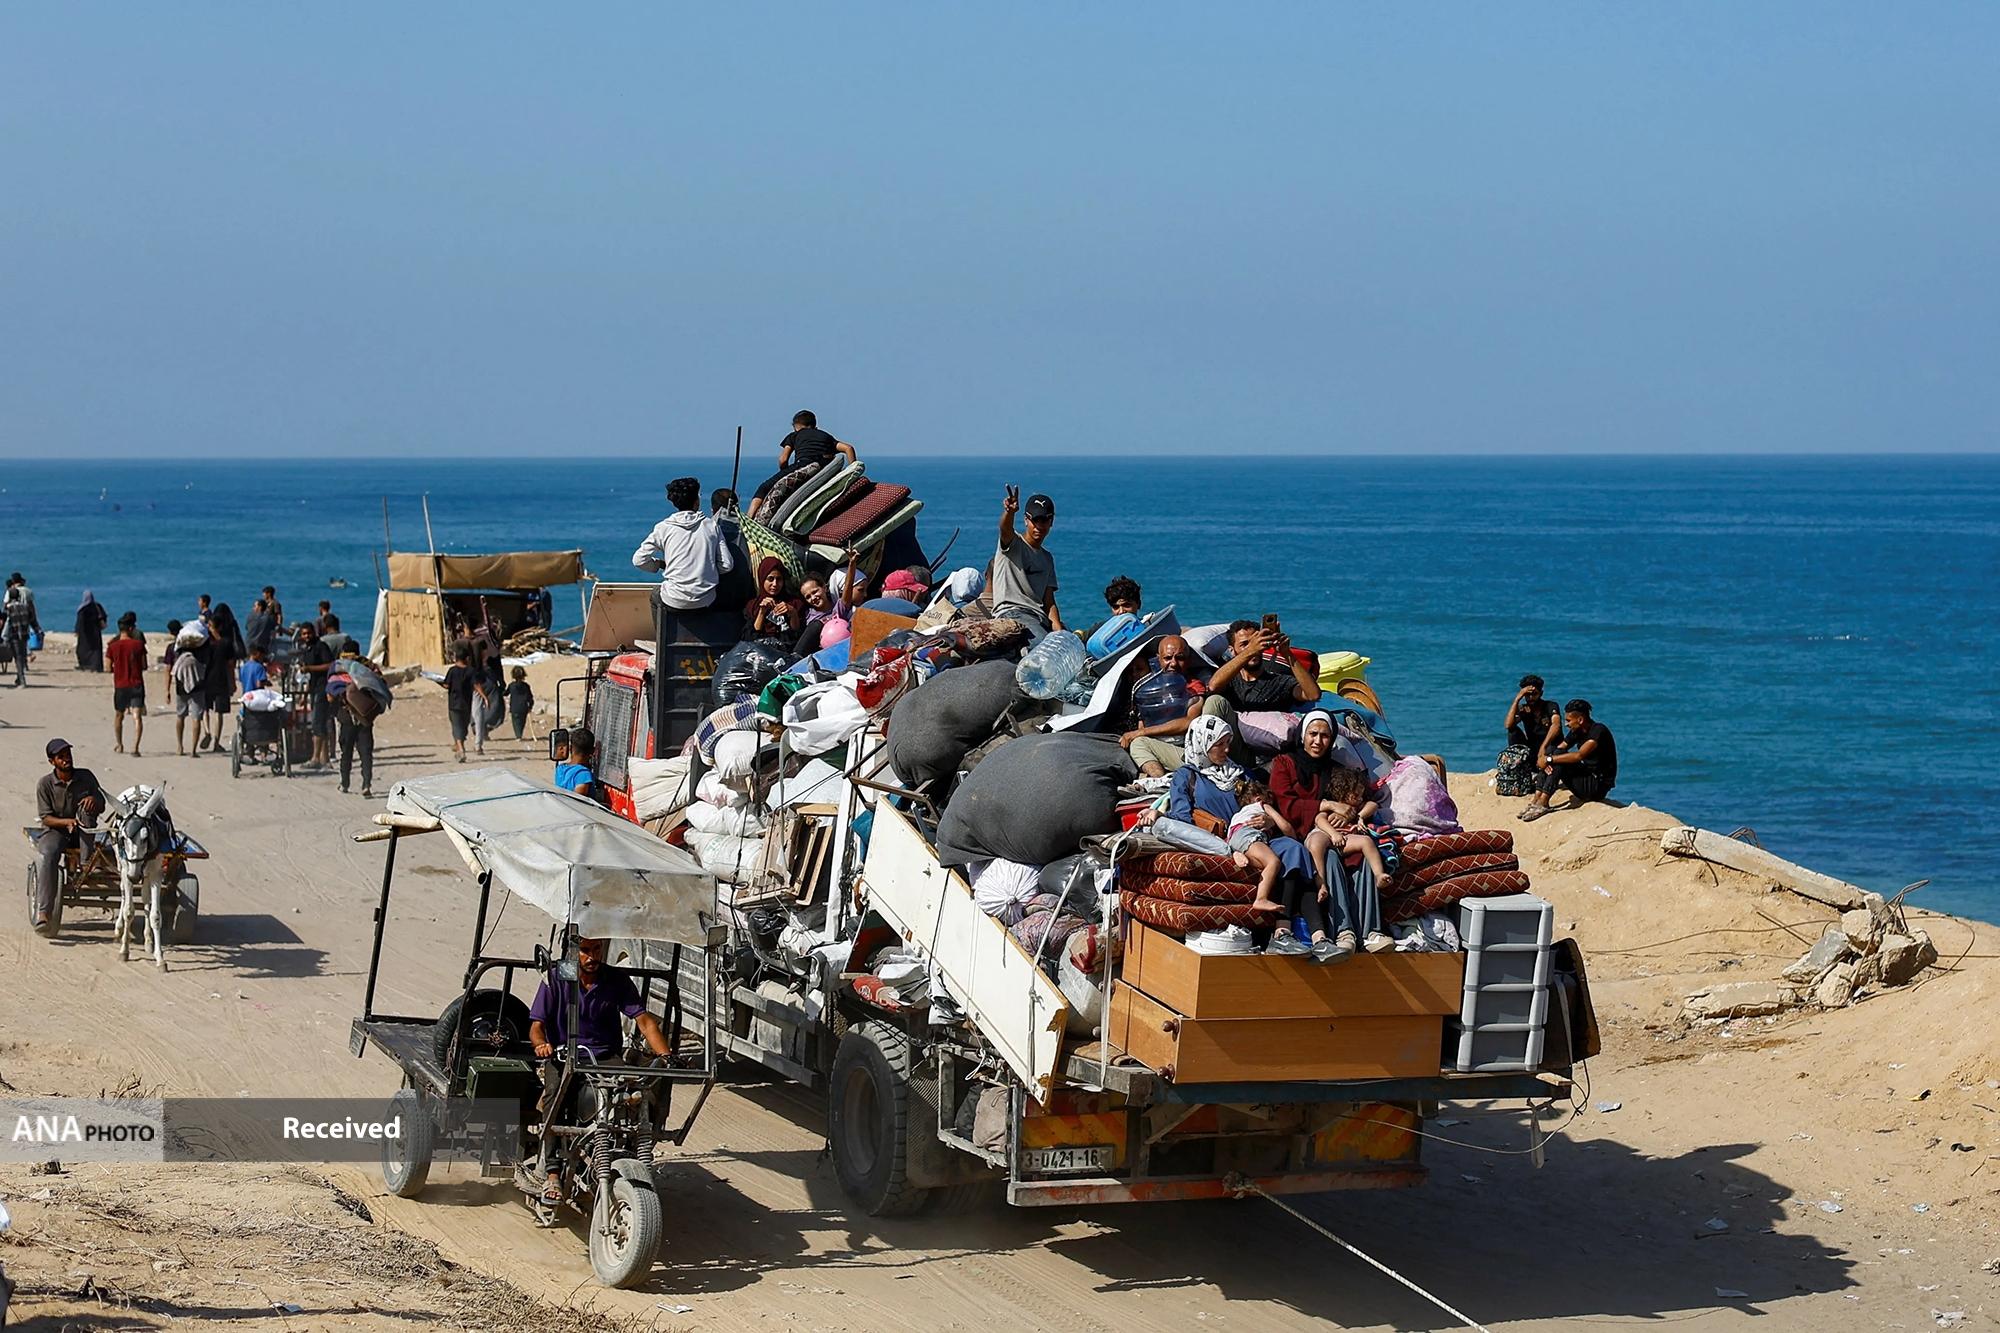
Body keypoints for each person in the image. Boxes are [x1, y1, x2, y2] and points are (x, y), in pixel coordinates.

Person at [1139, 715, 1327, 959]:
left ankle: (1300, 935)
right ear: (1203, 744)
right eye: (1219, 744)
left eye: (1228, 743)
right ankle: (1284, 933)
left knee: (1294, 849)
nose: (1226, 749)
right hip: (1221, 840)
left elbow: (1261, 801)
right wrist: (1158, 814)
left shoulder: (1240, 774)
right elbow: (1182, 818)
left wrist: (1269, 821)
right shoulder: (1188, 775)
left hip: (1255, 836)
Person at [526, 936, 672, 1201]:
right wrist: (542, 1045)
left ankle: (631, 1148)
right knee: (555, 1097)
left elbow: (644, 1021)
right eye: (585, 950)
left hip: (605, 1056)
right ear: (574, 950)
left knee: (636, 1089)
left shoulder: (615, 979)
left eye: (596, 949)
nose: (592, 957)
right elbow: (537, 1026)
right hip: (564, 1055)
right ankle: (552, 1172)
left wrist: (666, 1056)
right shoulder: (557, 977)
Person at [1268, 710, 1388, 960]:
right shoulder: (1284, 764)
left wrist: (1348, 814)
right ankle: (1343, 932)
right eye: (1313, 734)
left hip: (1337, 833)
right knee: (1330, 857)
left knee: (1364, 858)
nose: (1318, 741)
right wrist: (1328, 806)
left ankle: (1370, 932)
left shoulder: (1336, 770)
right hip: (1300, 836)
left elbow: (1359, 799)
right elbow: (1286, 805)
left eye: (1324, 736)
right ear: (1303, 736)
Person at [1200, 618, 1321, 760]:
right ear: (1232, 650)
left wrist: (1287, 653)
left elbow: (1313, 695)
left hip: (1267, 757)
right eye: (1244, 644)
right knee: (1214, 701)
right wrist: (1251, 650)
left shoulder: (1277, 681)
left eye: (1256, 642)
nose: (1253, 648)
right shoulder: (1229, 678)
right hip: (1231, 749)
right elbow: (1213, 686)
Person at [632, 477, 737, 610]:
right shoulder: (711, 526)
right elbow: (727, 565)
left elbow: (639, 560)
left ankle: (663, 624)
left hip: (674, 599)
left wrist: (659, 564)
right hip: (706, 599)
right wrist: (706, 568)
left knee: (655, 596)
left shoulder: (663, 528)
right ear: (696, 501)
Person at [32, 739, 103, 933]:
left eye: (68, 755)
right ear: (52, 761)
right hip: (56, 830)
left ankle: (87, 864)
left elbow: (102, 802)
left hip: (84, 831)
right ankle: (43, 912)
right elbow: (45, 818)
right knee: (48, 856)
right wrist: (66, 822)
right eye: (61, 757)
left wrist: (94, 800)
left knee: (87, 809)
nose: (66, 759)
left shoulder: (86, 777)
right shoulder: (45, 784)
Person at [1119, 635, 1211, 776]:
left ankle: (1159, 779)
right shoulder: (1149, 688)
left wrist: (1140, 733)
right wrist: (1138, 733)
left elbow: (1188, 722)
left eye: (1180, 658)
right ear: (1158, 659)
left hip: (1184, 749)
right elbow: (1143, 721)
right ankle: (1158, 778)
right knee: (1137, 743)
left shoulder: (1193, 687)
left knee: (1139, 743)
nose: (1173, 663)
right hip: (1157, 744)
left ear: (1188, 660)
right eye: (1168, 658)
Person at [1520, 699, 1617, 822]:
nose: (1566, 724)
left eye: (1569, 720)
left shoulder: (1598, 731)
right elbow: (1560, 748)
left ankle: (1543, 802)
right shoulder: (1577, 731)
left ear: (1580, 720)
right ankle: (1537, 798)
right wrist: (1545, 757)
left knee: (1556, 759)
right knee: (1552, 751)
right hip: (1586, 776)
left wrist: (1548, 759)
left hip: (1597, 786)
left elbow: (1579, 756)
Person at [991, 487, 1061, 638]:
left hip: (1039, 618)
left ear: (1051, 522)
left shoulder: (1047, 558)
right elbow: (1005, 529)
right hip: (1013, 613)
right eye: (1035, 520)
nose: (1039, 526)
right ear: (1026, 520)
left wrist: (1059, 630)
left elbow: (1049, 601)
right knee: (1042, 645)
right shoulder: (1014, 544)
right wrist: (1009, 512)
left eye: (1044, 520)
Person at [332, 651, 379, 796]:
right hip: (365, 719)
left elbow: (330, 697)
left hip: (347, 719)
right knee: (366, 753)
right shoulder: (369, 673)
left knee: (346, 753)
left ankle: (344, 784)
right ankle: (366, 785)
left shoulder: (339, 675)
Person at [201, 603, 245, 750]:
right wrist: (232, 683)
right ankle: (216, 742)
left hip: (206, 678)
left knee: (205, 708)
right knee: (219, 712)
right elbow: (230, 665)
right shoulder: (226, 644)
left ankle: (207, 731)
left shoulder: (205, 643)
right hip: (221, 679)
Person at [293, 623, 336, 768]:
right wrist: (304, 695)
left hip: (322, 688)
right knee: (319, 723)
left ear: (314, 633)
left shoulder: (321, 646)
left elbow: (330, 665)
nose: (306, 636)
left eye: (308, 633)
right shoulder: (307, 649)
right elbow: (308, 677)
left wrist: (310, 668)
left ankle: (316, 758)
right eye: (304, 634)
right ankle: (325, 760)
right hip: (313, 688)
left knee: (318, 723)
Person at [107, 614, 147, 757]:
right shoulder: (139, 645)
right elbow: (144, 665)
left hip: (120, 684)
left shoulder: (113, 646)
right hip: (136, 684)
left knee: (119, 715)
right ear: (130, 628)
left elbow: (107, 667)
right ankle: (135, 747)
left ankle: (119, 744)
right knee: (137, 716)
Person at [166, 620, 207, 755]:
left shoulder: (172, 648)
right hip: (198, 685)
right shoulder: (200, 648)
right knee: (196, 718)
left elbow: (168, 669)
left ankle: (180, 746)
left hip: (180, 684)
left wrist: (167, 689)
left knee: (180, 716)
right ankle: (193, 750)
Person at [744, 557, 807, 642]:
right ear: (762, 579)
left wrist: (793, 613)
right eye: (770, 579)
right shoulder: (752, 606)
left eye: (779, 579)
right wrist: (762, 612)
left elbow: (798, 638)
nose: (775, 584)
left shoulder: (795, 604)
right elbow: (750, 638)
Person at [1505, 675, 1562, 764]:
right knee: (1512, 730)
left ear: (1541, 693)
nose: (1531, 698)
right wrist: (1517, 699)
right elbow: (1508, 725)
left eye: (1534, 694)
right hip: (1533, 747)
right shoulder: (1523, 709)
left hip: (1550, 745)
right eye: (1527, 695)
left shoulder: (1550, 706)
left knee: (1551, 749)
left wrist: (1543, 746)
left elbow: (1556, 725)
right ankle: (1517, 759)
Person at [4, 575, 39, 688]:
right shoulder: (25, 607)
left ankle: (22, 680)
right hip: (24, 634)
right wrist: (37, 630)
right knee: (21, 656)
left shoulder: (9, 609)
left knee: (18, 657)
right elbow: (32, 620)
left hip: (14, 635)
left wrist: (4, 637)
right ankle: (19, 678)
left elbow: (7, 623)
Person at [554, 728, 606, 803]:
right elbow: (578, 803)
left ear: (570, 748)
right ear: (593, 751)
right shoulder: (583, 775)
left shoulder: (560, 769)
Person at [443, 646, 475, 762]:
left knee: (456, 725)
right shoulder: (471, 671)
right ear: (467, 658)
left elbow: (446, 685)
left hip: (454, 703)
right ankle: (460, 746)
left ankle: (460, 748)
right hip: (466, 703)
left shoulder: (452, 671)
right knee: (463, 726)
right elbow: (475, 685)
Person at [73, 591, 108, 671]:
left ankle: (84, 665)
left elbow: (80, 621)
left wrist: (77, 630)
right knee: (96, 650)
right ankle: (96, 666)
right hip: (96, 632)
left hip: (85, 634)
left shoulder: (83, 608)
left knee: (82, 650)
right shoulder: (97, 606)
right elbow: (103, 616)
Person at [507, 666, 535, 740]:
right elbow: (530, 697)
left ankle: (518, 735)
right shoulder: (526, 686)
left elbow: (505, 693)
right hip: (524, 707)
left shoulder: (511, 685)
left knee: (516, 722)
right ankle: (519, 734)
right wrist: (530, 706)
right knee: (522, 722)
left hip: (514, 708)